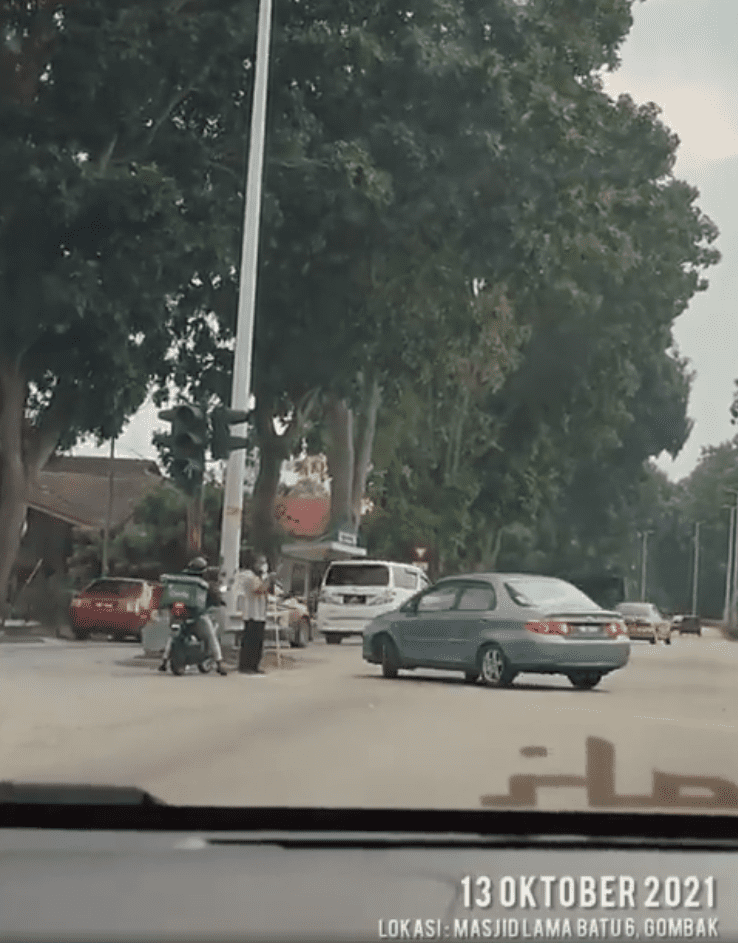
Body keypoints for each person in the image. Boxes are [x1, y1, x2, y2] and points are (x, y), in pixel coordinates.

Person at [159, 557, 228, 675]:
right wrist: (220, 600)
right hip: (197, 616)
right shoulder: (203, 583)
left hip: (177, 615)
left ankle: (164, 661)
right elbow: (215, 595)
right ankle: (219, 663)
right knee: (210, 636)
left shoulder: (179, 579)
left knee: (173, 635)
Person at [237, 550, 272, 674]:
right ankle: (245, 666)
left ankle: (254, 666)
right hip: (251, 614)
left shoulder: (258, 577)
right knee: (250, 641)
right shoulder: (247, 576)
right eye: (261, 562)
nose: (263, 565)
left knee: (258, 642)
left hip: (260, 614)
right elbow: (258, 589)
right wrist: (269, 578)